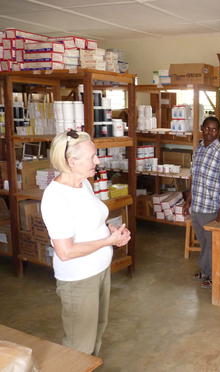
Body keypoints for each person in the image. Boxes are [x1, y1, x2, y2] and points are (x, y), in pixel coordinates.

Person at [41, 130, 131, 355]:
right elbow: (65, 251)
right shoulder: (56, 197)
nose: (98, 160)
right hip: (79, 280)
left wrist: (111, 231)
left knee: (98, 331)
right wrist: (107, 240)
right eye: (92, 156)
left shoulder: (84, 184)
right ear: (72, 161)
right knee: (79, 344)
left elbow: (91, 221)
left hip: (99, 270)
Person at [183, 116, 220, 289]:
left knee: (213, 244)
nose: (209, 132)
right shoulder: (198, 149)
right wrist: (188, 200)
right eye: (206, 128)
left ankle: (215, 276)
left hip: (212, 207)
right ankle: (206, 271)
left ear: (218, 132)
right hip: (198, 205)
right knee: (204, 242)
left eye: (213, 130)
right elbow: (195, 177)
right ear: (201, 128)